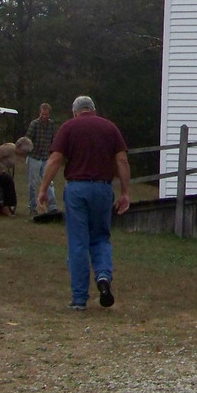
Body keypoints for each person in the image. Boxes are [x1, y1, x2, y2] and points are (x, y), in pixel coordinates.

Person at [38, 96, 131, 311]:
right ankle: (103, 277)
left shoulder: (68, 127)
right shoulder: (110, 128)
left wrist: (43, 188)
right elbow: (122, 160)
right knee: (100, 237)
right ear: (94, 110)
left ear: (75, 112)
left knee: (78, 242)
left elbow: (54, 159)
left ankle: (79, 298)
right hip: (102, 188)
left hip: (77, 188)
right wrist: (125, 192)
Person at [25, 103, 59, 215]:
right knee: (32, 184)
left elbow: (53, 139)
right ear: (40, 113)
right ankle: (32, 207)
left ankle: (52, 207)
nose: (45, 116)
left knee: (49, 182)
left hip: (45, 157)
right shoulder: (34, 124)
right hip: (34, 156)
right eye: (43, 114)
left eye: (46, 114)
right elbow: (28, 139)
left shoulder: (51, 124)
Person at [0, 136, 33, 215]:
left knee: (9, 180)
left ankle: (9, 205)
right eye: (24, 151)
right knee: (8, 181)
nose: (24, 154)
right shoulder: (11, 148)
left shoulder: (15, 154)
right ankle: (6, 207)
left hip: (1, 171)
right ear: (20, 147)